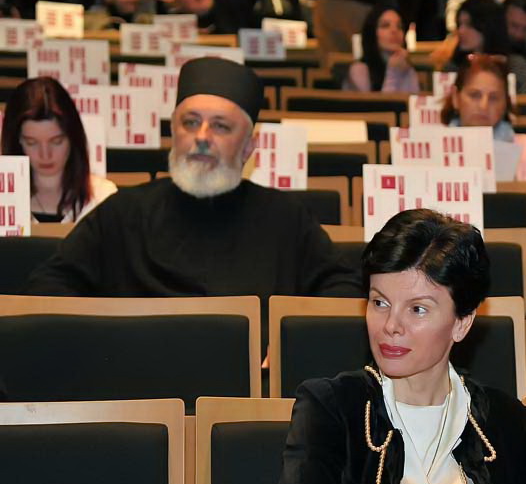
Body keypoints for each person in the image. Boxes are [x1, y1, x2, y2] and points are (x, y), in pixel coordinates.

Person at [272, 209, 526, 484]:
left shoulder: (506, 421)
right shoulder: (332, 408)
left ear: (462, 322)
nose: (391, 326)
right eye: (379, 302)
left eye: (417, 309)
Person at [26, 57, 360, 308]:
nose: (202, 137)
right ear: (174, 133)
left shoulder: (284, 217)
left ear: (248, 148)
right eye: (190, 123)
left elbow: (343, 286)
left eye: (220, 126)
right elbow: (50, 283)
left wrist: (288, 340)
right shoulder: (124, 212)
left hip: (247, 380)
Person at [1, 78, 117, 224]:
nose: (45, 155)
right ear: (17, 141)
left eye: (56, 142)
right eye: (32, 143)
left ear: (72, 138)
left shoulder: (102, 198)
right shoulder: (3, 199)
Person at [442, 54, 526, 211]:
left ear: (505, 103)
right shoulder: (434, 147)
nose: (484, 106)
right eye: (475, 95)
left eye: (494, 98)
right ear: (455, 98)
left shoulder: (525, 146)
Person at [436, 0, 526, 94]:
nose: (461, 31)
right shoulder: (453, 67)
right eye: (460, 24)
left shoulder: (515, 66)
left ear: (487, 28)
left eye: (469, 25)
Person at [342, 6, 420, 93]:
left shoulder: (406, 67)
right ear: (372, 33)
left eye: (399, 26)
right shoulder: (359, 70)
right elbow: (382, 102)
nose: (394, 30)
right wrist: (394, 72)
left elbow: (412, 99)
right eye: (385, 26)